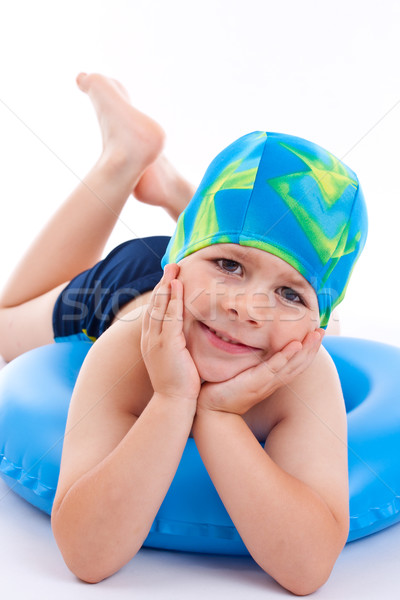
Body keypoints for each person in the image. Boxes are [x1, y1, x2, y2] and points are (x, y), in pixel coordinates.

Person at [0, 73, 367, 595]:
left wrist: (216, 416)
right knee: (7, 322)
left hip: (198, 274)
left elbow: (307, 570)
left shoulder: (305, 377)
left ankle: (180, 196)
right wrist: (174, 398)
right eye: (229, 265)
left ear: (319, 322)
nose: (246, 309)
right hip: (131, 285)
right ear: (181, 261)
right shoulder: (127, 347)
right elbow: (86, 554)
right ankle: (123, 159)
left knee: (248, 254)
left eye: (293, 294)